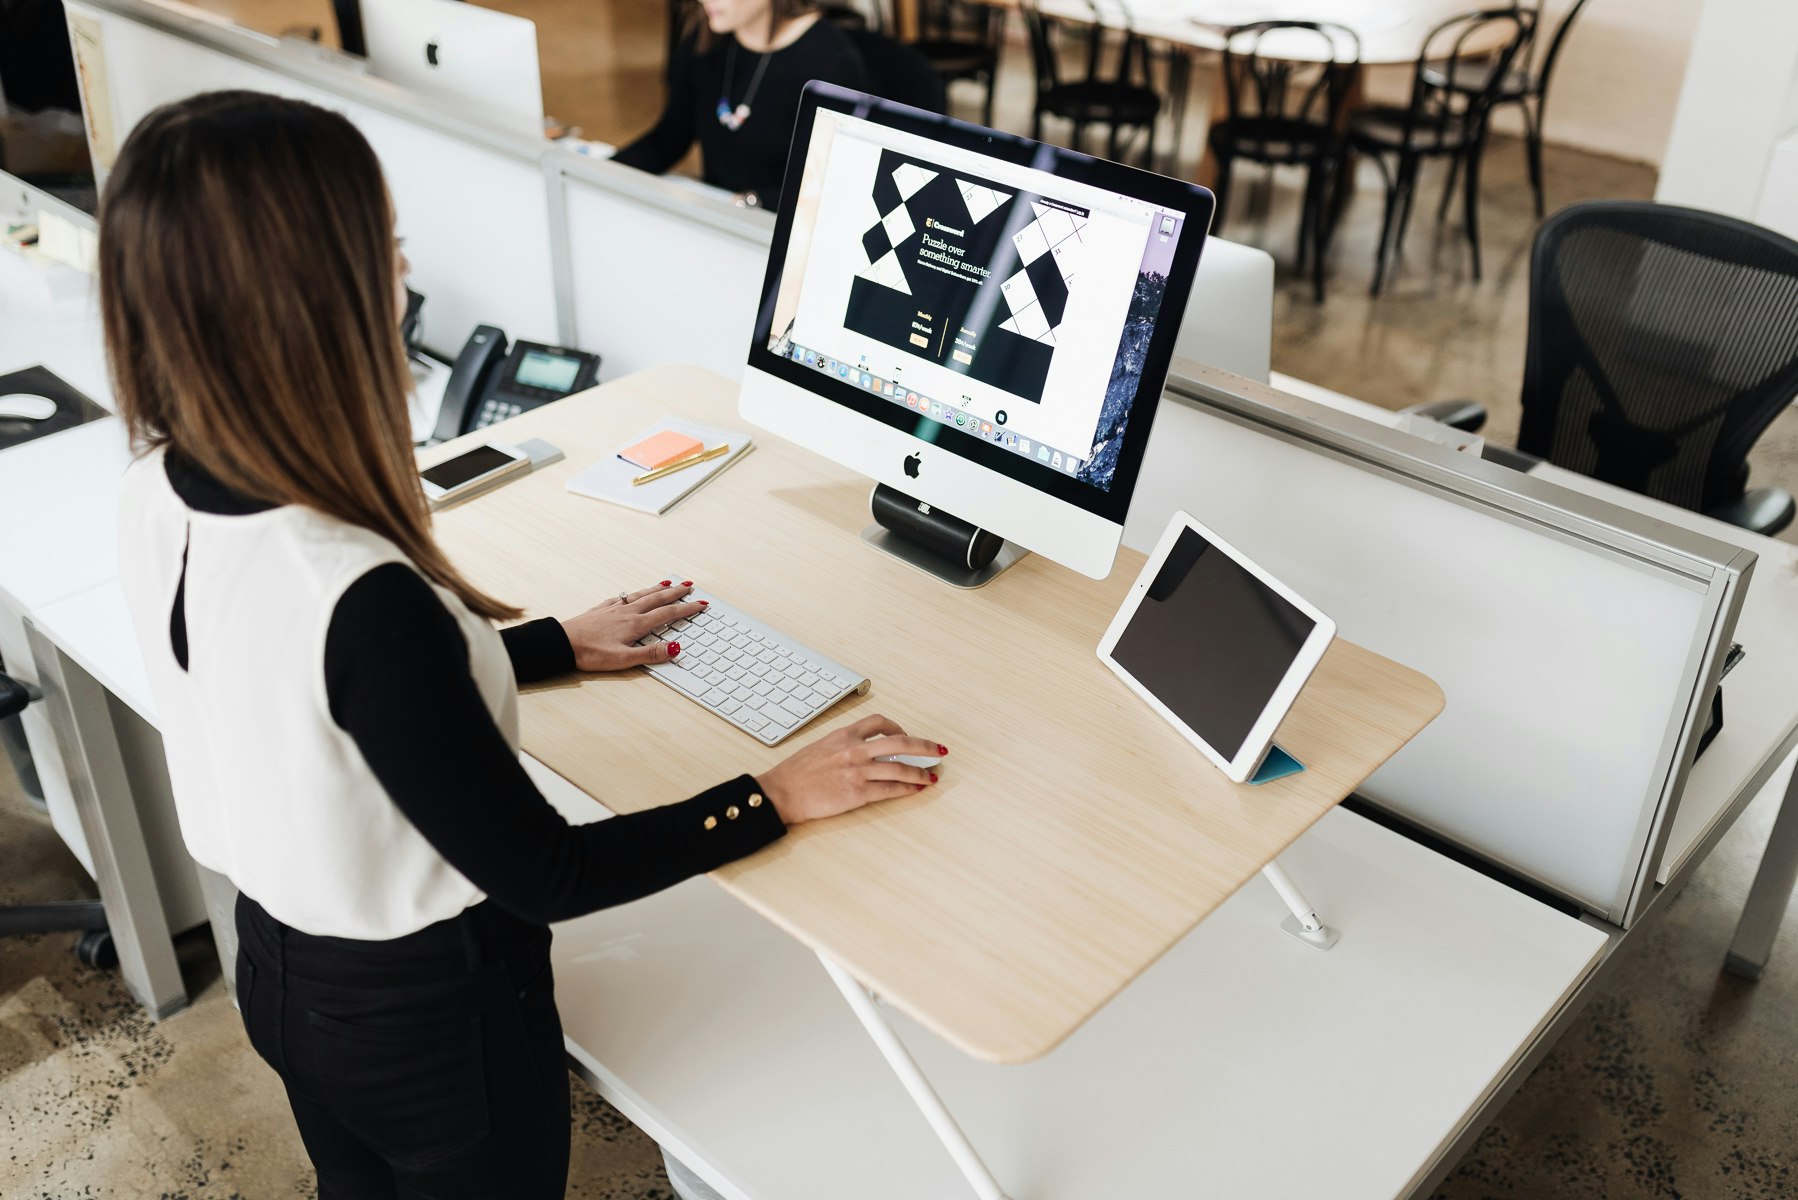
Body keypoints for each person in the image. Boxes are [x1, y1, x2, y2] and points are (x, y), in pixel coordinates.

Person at [102, 89, 944, 1199]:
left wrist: (548, 644)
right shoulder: (362, 595)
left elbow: (314, 702)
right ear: (312, 302)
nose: (404, 279)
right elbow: (547, 870)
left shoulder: (160, 486)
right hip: (429, 1029)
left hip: (284, 976)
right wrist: (772, 794)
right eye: (386, 249)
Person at [615, 0, 870, 210]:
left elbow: (834, 186)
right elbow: (668, 139)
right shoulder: (706, 41)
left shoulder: (831, 63)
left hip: (777, 238)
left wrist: (755, 202)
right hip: (721, 222)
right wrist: (601, 169)